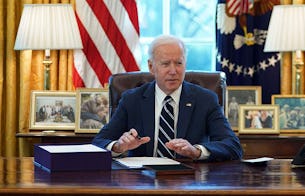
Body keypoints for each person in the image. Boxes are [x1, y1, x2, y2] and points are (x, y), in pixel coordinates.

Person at [92, 35, 243, 161]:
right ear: (151, 67)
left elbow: (233, 146)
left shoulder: (205, 100)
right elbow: (98, 142)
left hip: (189, 180)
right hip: (142, 181)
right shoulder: (132, 100)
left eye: (179, 63)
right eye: (165, 64)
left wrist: (196, 151)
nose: (173, 71)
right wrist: (119, 146)